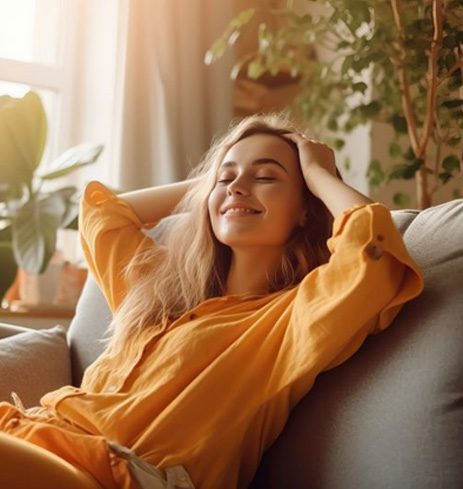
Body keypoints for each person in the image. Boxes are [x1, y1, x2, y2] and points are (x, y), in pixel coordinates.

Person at [0, 113, 424, 489]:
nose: (238, 187)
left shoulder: (289, 320)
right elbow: (103, 214)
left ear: (305, 211)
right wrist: (210, 183)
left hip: (123, 477)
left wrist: (316, 172)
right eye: (227, 179)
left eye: (266, 177)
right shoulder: (160, 294)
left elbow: (375, 253)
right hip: (43, 443)